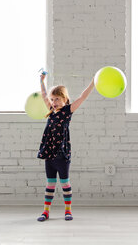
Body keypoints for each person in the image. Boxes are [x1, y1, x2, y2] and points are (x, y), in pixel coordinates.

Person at [36, 72, 95, 222]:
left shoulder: (67, 111)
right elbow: (43, 94)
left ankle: (68, 210)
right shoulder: (51, 112)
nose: (54, 102)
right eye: (52, 99)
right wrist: (41, 81)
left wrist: (93, 83)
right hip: (49, 153)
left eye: (57, 99)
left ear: (65, 99)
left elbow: (82, 97)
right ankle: (46, 211)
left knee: (64, 183)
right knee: (50, 183)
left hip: (62, 154)